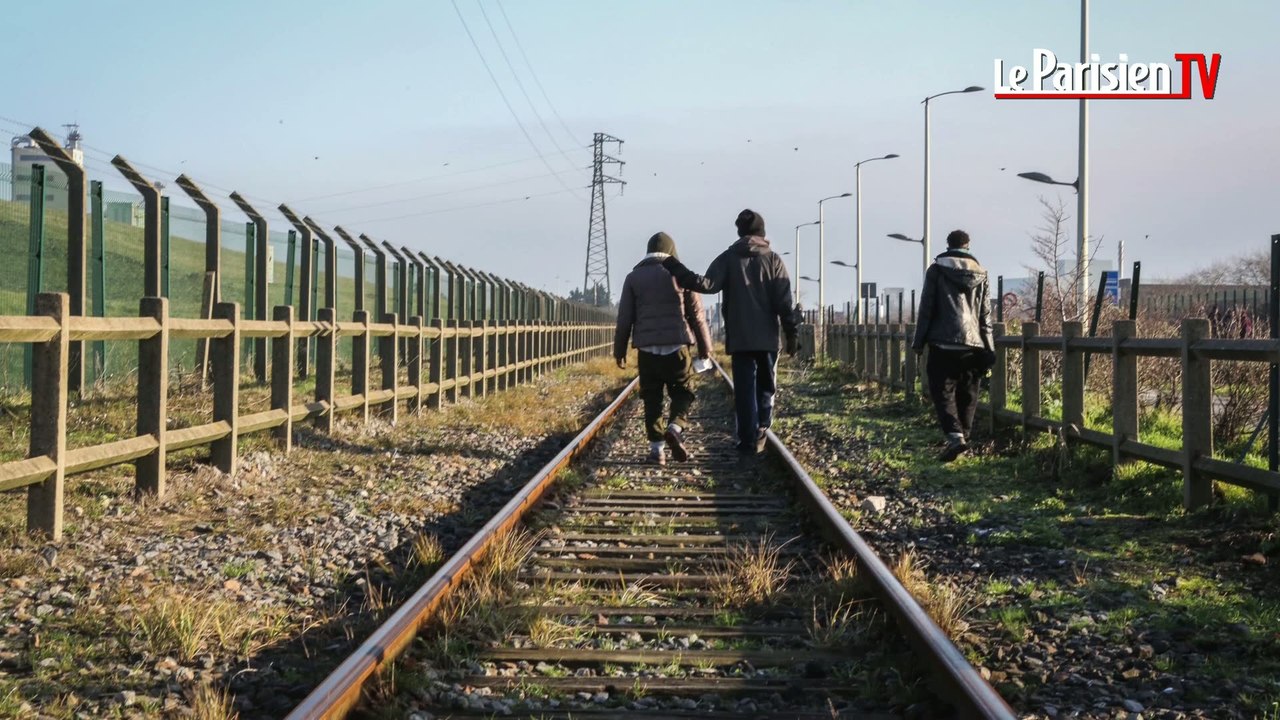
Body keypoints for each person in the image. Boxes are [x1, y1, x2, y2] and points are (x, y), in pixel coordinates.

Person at [661, 209, 800, 458]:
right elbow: (784, 300)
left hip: (740, 338)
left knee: (745, 390)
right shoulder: (774, 260)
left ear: (740, 232)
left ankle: (747, 441)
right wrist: (791, 333)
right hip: (767, 338)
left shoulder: (729, 258)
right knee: (766, 387)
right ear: (762, 233)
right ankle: (761, 429)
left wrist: (676, 268)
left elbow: (706, 284)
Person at [614, 232, 714, 465]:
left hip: (647, 350)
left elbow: (624, 318)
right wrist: (705, 349)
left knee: (652, 397)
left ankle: (657, 450)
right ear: (672, 252)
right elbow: (697, 315)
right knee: (683, 392)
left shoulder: (633, 277)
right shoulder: (680, 275)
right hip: (678, 346)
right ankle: (676, 427)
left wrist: (619, 351)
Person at [911, 229, 994, 462]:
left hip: (942, 343)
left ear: (948, 245)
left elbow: (926, 308)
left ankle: (956, 437)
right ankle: (962, 437)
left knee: (942, 392)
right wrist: (989, 348)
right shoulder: (982, 274)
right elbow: (985, 316)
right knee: (969, 393)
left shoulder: (936, 270)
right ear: (968, 245)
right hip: (974, 345)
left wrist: (918, 342)